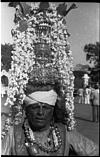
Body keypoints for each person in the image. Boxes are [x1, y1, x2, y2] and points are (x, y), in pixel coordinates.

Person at [1, 2, 99, 156]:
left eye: (45, 107)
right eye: (34, 107)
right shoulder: (14, 135)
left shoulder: (64, 134)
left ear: (53, 110)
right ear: (26, 108)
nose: (40, 112)